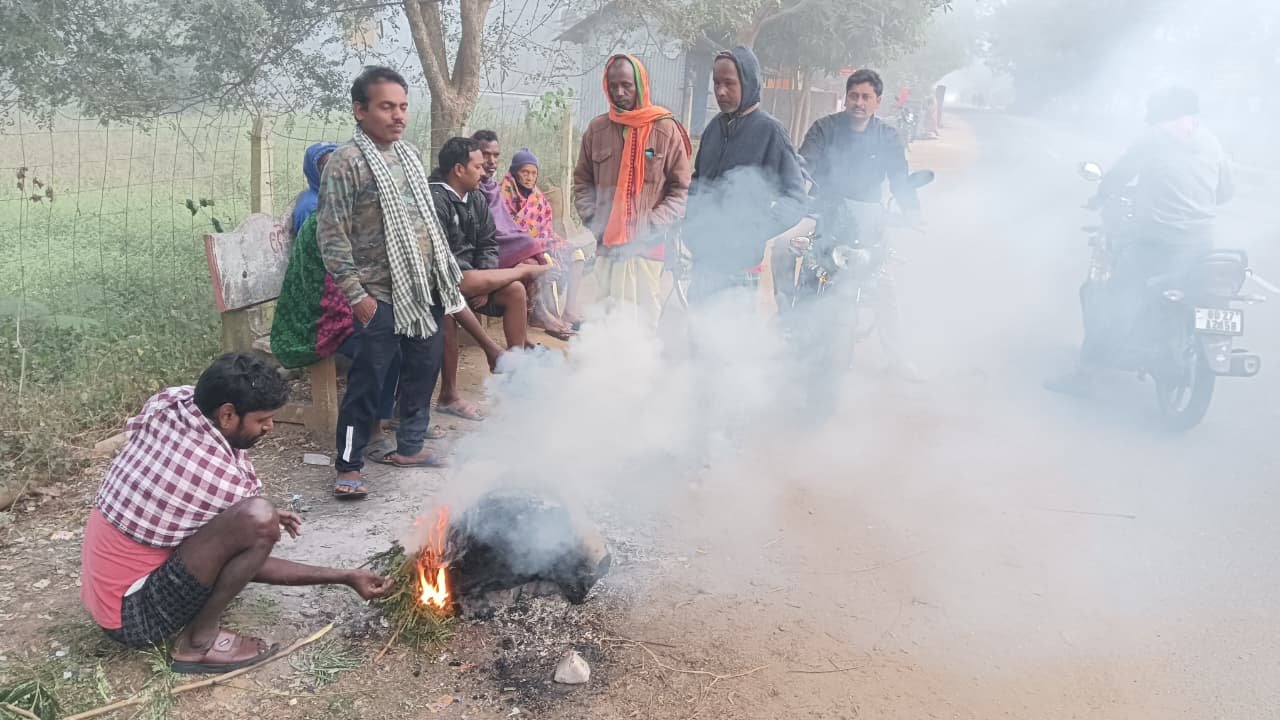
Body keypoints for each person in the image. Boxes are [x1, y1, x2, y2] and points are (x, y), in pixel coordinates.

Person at [79, 353, 393, 673]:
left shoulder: (177, 402)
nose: (270, 427)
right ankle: (197, 644)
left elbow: (207, 504)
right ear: (227, 414)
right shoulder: (209, 475)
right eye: (262, 420)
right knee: (259, 520)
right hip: (132, 616)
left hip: (105, 594)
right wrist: (344, 576)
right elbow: (253, 550)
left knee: (253, 517)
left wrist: (234, 518)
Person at [317, 65, 471, 497]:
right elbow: (330, 237)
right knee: (368, 383)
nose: (398, 115)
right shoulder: (346, 164)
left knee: (423, 370)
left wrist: (440, 279)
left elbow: (422, 221)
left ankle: (410, 447)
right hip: (377, 295)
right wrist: (357, 296)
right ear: (359, 110)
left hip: (420, 290)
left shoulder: (409, 154)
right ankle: (347, 465)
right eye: (387, 106)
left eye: (403, 106)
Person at [1047, 86, 1234, 396]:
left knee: (1108, 298)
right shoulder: (1212, 142)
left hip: (1156, 244)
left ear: (1164, 116)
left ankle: (1086, 375)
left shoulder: (1153, 140)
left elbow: (1119, 175)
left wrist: (1098, 198)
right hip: (1201, 247)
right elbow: (1226, 192)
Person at [785, 67, 924, 381]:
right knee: (784, 251)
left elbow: (900, 179)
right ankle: (790, 324)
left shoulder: (888, 137)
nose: (858, 102)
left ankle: (897, 357)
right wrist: (793, 196)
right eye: (853, 96)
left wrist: (911, 211)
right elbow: (803, 166)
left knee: (884, 283)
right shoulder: (824, 129)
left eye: (866, 97)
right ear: (845, 98)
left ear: (877, 102)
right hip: (825, 214)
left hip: (868, 220)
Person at [430, 136, 551, 420]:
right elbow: (441, 263)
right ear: (459, 169)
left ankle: (516, 373)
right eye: (478, 166)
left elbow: (488, 243)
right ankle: (448, 394)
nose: (485, 172)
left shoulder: (476, 197)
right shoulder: (434, 199)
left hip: (473, 280)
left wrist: (485, 278)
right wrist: (477, 280)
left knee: (515, 291)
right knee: (446, 312)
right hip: (443, 283)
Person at [573, 53, 692, 330]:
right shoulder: (597, 130)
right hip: (607, 247)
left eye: (626, 85)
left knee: (641, 328)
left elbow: (681, 189)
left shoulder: (665, 130)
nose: (619, 92)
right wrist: (594, 220)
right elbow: (582, 181)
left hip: (647, 249)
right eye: (613, 85)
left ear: (641, 84)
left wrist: (652, 223)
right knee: (605, 321)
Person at [684, 45, 807, 301]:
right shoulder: (713, 129)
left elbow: (795, 198)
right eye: (716, 83)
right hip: (704, 263)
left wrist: (753, 231)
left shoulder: (770, 132)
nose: (720, 91)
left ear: (748, 82)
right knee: (698, 337)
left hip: (739, 268)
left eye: (729, 83)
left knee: (729, 339)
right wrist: (690, 229)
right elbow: (698, 183)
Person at [471, 130, 575, 337]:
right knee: (535, 263)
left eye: (496, 155)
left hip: (498, 250)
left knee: (544, 257)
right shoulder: (477, 188)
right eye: (485, 154)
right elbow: (485, 234)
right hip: (480, 259)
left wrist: (530, 244)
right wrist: (483, 277)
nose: (491, 161)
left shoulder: (490, 186)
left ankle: (552, 313)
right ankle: (540, 316)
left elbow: (508, 228)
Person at [502, 147, 586, 334]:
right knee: (548, 262)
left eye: (533, 173)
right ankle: (548, 316)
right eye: (525, 172)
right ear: (515, 172)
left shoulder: (537, 196)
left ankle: (569, 311)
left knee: (577, 255)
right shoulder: (505, 195)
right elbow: (507, 231)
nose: (529, 177)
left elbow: (545, 229)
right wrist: (539, 250)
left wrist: (551, 245)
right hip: (517, 248)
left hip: (541, 241)